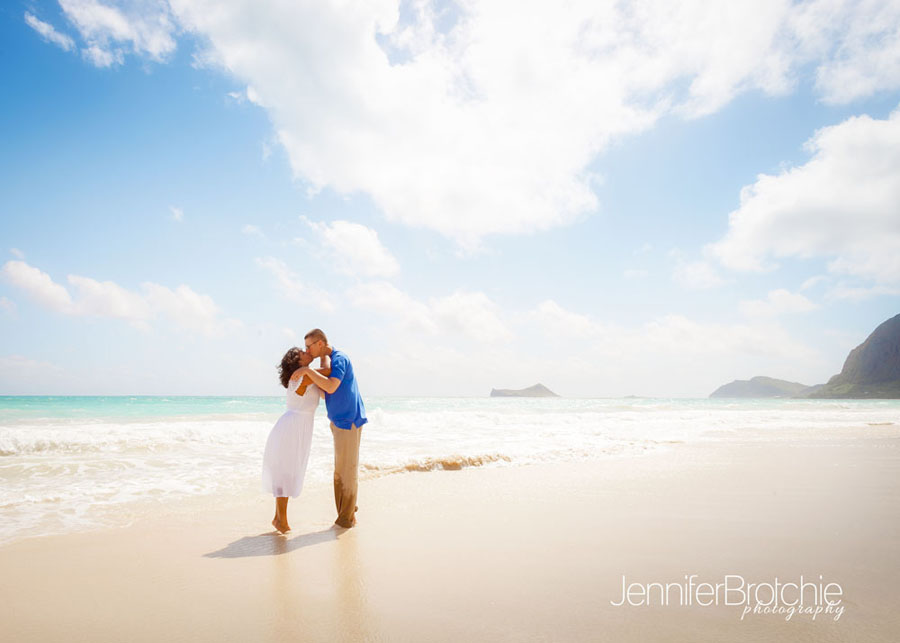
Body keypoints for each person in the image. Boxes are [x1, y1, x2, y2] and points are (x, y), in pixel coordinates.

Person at [295, 329, 367, 528]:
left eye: (309, 346)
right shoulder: (327, 361)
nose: (307, 350)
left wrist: (308, 372)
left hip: (349, 420)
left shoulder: (339, 359)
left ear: (320, 343)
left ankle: (346, 519)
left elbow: (332, 386)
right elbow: (327, 394)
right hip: (338, 421)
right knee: (339, 472)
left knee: (347, 471)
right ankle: (348, 512)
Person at [261, 347, 329, 534]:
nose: (308, 353)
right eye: (303, 353)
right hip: (291, 429)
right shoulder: (303, 377)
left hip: (297, 427)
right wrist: (322, 356)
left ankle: (278, 518)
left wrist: (321, 358)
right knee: (285, 474)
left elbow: (324, 380)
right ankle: (281, 520)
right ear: (298, 362)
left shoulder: (308, 376)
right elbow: (330, 372)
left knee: (288, 473)